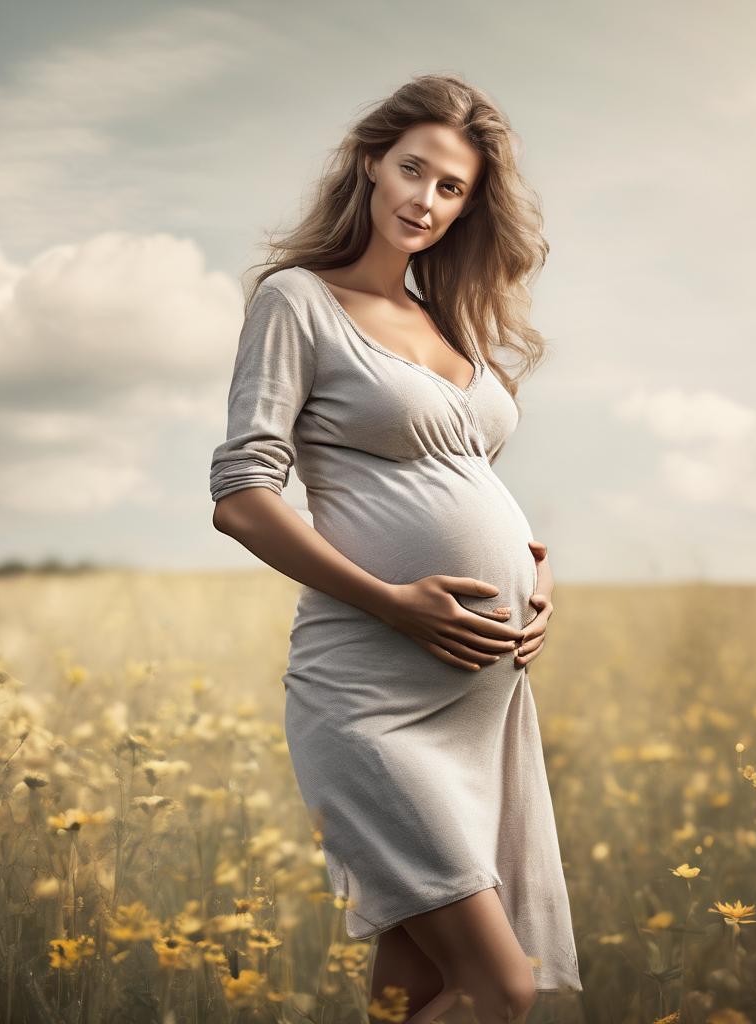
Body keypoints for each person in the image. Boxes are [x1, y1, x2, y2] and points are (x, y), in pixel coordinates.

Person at [210, 73, 582, 1023]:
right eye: (412, 169)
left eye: (451, 186)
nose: (425, 198)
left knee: (413, 991)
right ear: (372, 162)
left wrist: (536, 570)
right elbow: (243, 496)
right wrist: (393, 599)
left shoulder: (448, 321)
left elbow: (470, 480)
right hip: (371, 695)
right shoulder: (298, 301)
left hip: (478, 704)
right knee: (498, 989)